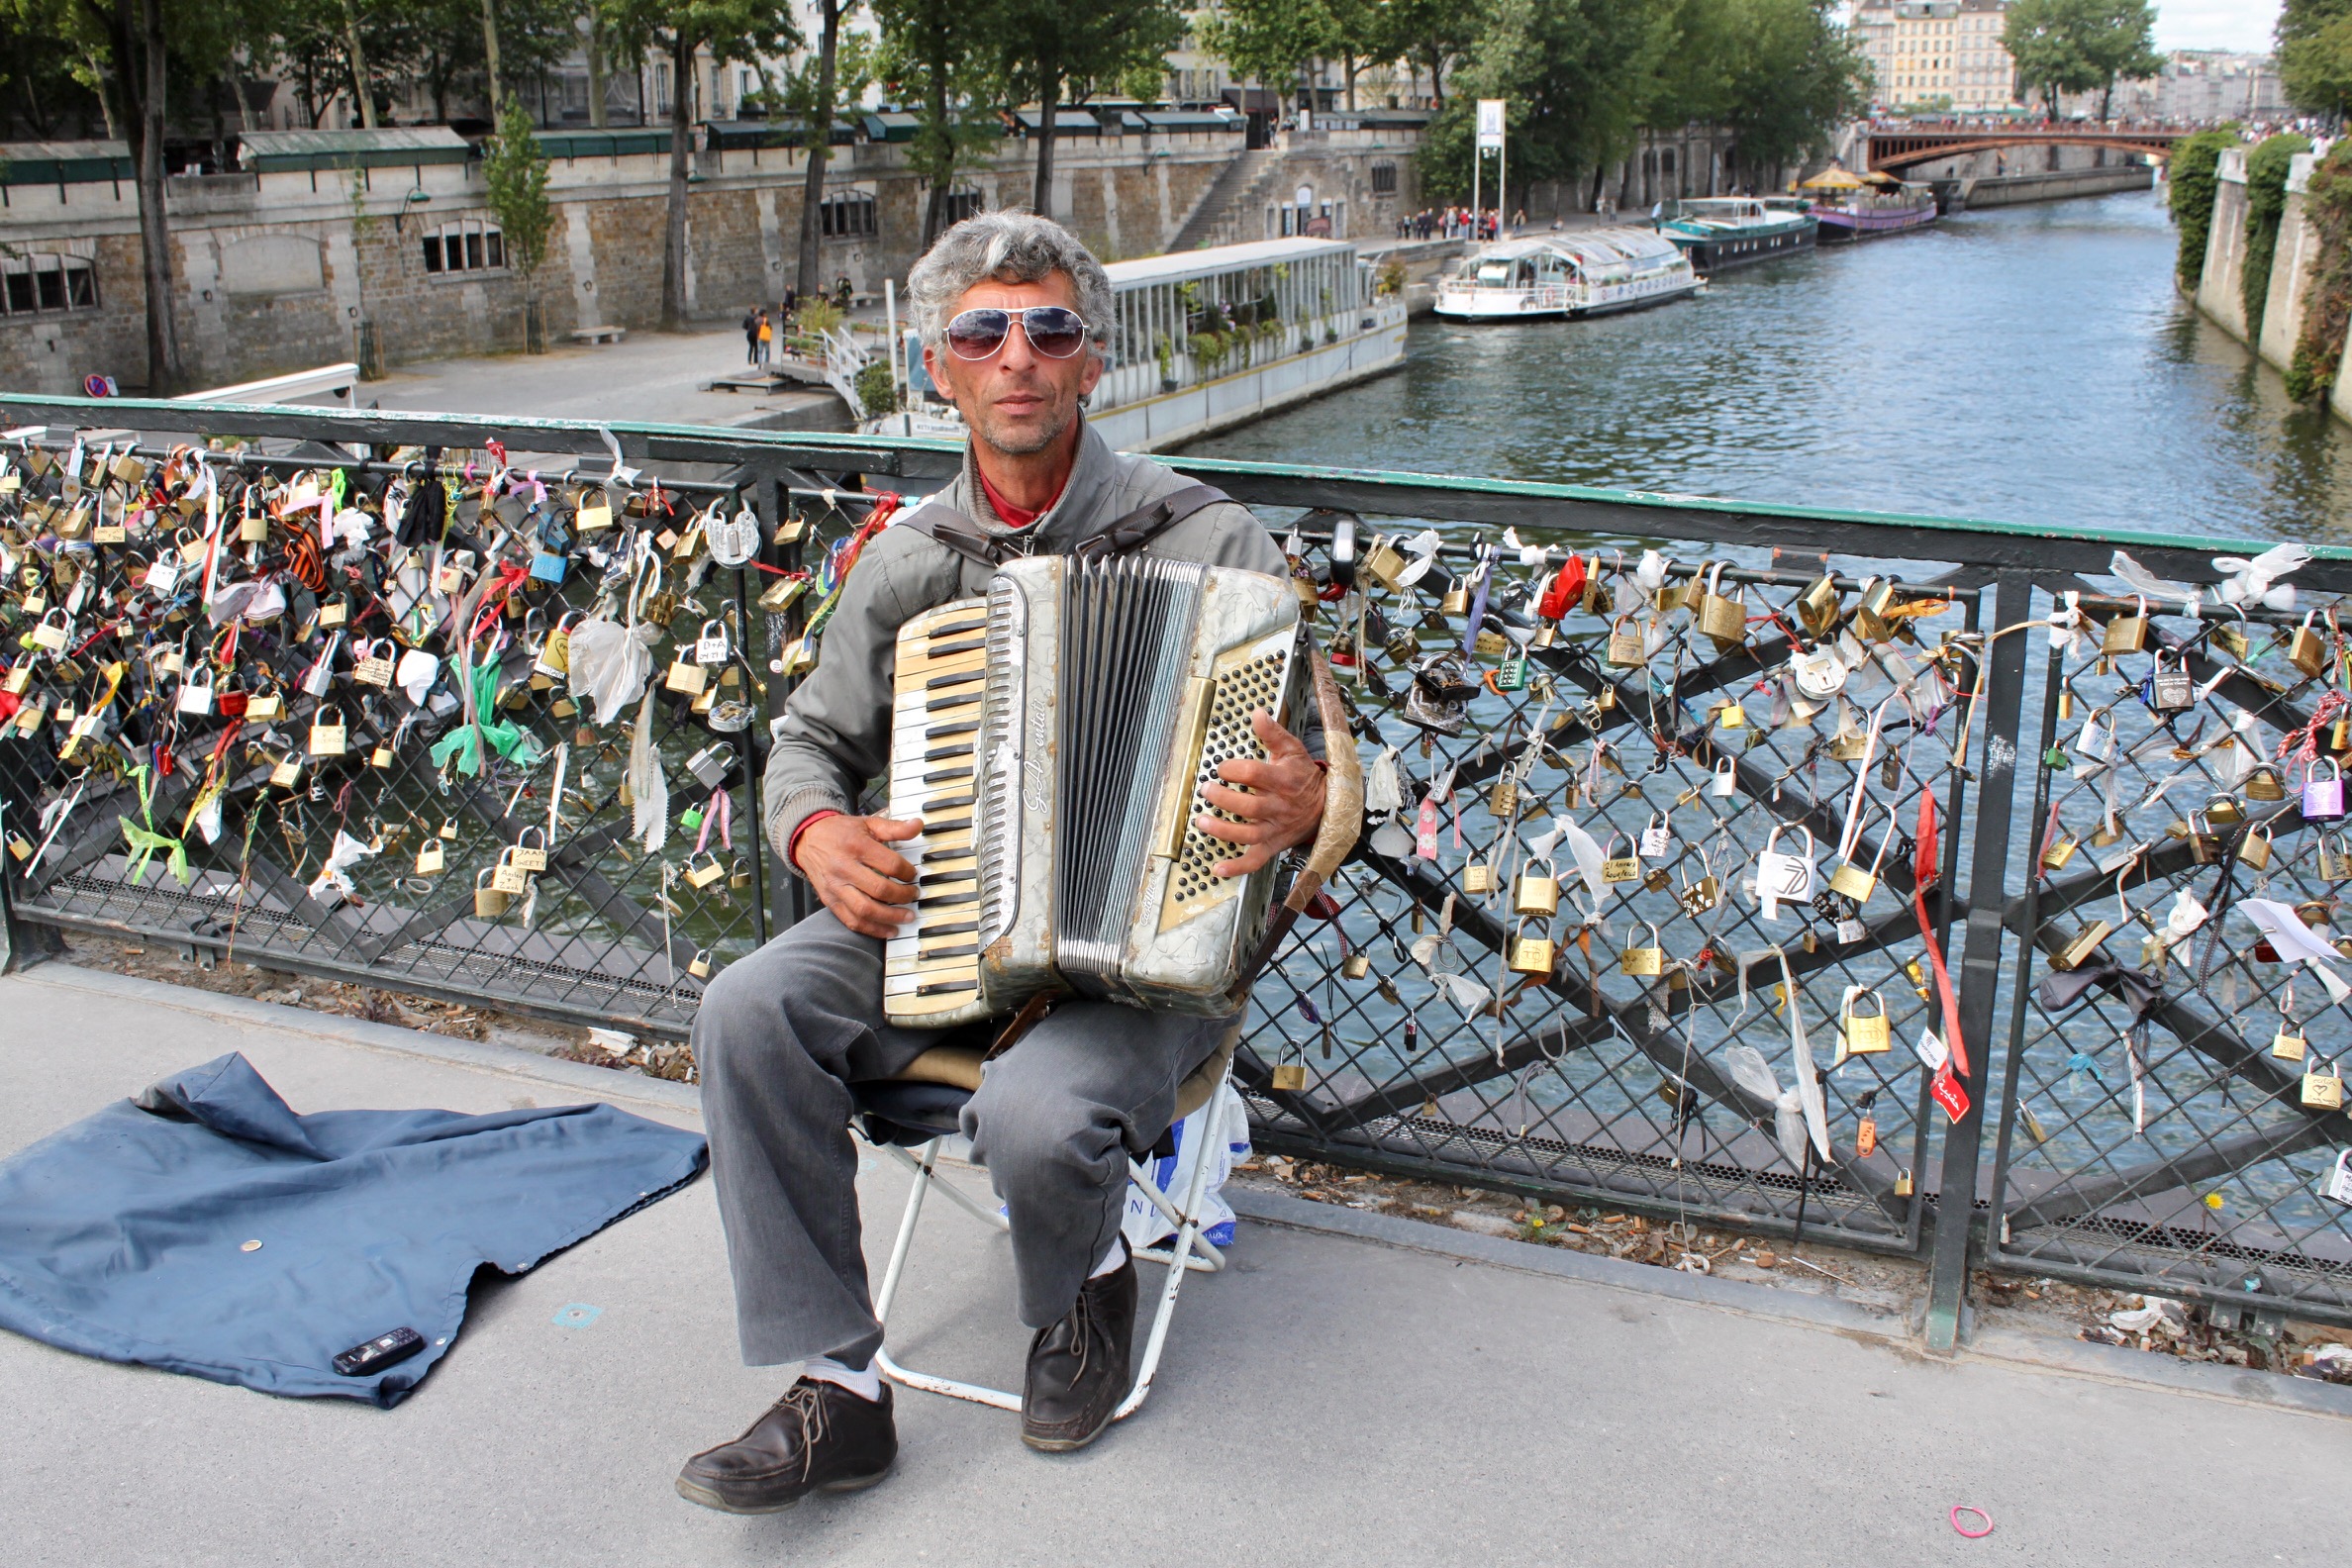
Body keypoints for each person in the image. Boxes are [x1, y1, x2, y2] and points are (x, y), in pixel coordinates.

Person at [675, 211, 1330, 1515]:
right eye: (982, 332)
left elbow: (1342, 774)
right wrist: (816, 832)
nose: (1016, 356)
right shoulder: (915, 562)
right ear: (940, 370)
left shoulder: (1211, 540)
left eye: (1049, 330)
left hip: (1148, 956)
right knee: (745, 1009)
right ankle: (837, 1389)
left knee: (1039, 1111)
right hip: (939, 916)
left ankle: (1084, 1283)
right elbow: (806, 745)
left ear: (1094, 362)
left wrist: (1309, 799)